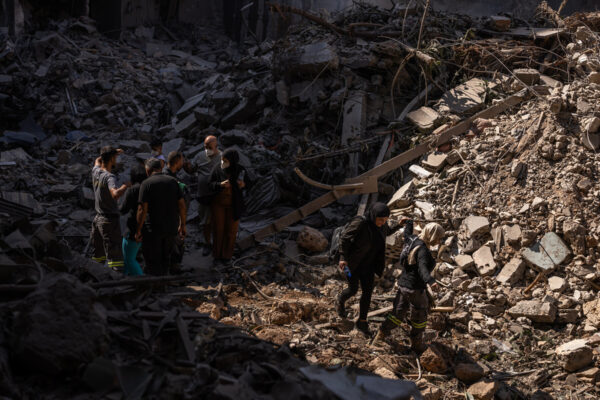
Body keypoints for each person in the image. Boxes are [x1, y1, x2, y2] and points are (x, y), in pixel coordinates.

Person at [373, 221, 445, 353]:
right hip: (415, 289)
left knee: (398, 313)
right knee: (420, 316)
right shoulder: (423, 250)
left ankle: (380, 335)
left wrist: (409, 223)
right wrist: (430, 281)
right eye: (438, 237)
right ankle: (416, 344)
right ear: (432, 235)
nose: (439, 241)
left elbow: (406, 234)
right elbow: (422, 269)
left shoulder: (412, 240)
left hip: (403, 285)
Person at [336, 203, 402, 335]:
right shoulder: (361, 223)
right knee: (352, 289)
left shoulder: (381, 225)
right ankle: (340, 301)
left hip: (369, 266)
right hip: (351, 265)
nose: (382, 223)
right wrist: (343, 257)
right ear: (373, 215)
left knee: (367, 293)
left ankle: (362, 321)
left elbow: (386, 232)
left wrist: (399, 225)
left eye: (385, 220)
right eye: (380, 220)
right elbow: (345, 239)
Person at [135, 158, 187, 275]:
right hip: (171, 227)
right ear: (161, 168)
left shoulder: (146, 183)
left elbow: (142, 209)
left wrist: (138, 230)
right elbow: (182, 206)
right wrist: (182, 225)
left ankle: (156, 285)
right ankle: (164, 283)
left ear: (148, 170)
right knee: (166, 257)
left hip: (152, 229)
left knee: (153, 259)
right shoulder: (173, 181)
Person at [207, 148, 249, 265]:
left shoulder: (240, 170)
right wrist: (220, 184)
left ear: (232, 161)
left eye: (225, 160)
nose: (222, 163)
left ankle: (227, 256)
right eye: (222, 160)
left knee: (231, 231)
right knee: (218, 230)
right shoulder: (217, 169)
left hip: (233, 205)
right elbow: (209, 184)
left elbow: (249, 183)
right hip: (218, 205)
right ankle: (217, 255)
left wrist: (243, 184)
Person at [90, 146, 129, 271]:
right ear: (112, 159)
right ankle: (116, 282)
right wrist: (125, 186)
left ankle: (95, 276)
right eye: (115, 157)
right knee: (115, 256)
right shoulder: (109, 177)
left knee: (98, 254)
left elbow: (98, 159)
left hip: (97, 219)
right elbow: (115, 194)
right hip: (109, 221)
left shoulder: (95, 171)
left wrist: (112, 153)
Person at [195, 135, 221, 256]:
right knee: (205, 222)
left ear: (216, 146)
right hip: (203, 195)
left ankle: (218, 244)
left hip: (216, 196)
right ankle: (207, 243)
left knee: (217, 221)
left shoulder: (222, 157)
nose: (207, 149)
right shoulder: (200, 156)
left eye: (210, 147)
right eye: (205, 147)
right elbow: (192, 170)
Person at [119, 165, 147, 276]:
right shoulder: (149, 187)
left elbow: (123, 209)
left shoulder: (133, 190)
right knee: (129, 257)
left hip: (133, 227)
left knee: (129, 258)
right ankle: (125, 276)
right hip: (148, 226)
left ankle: (141, 280)